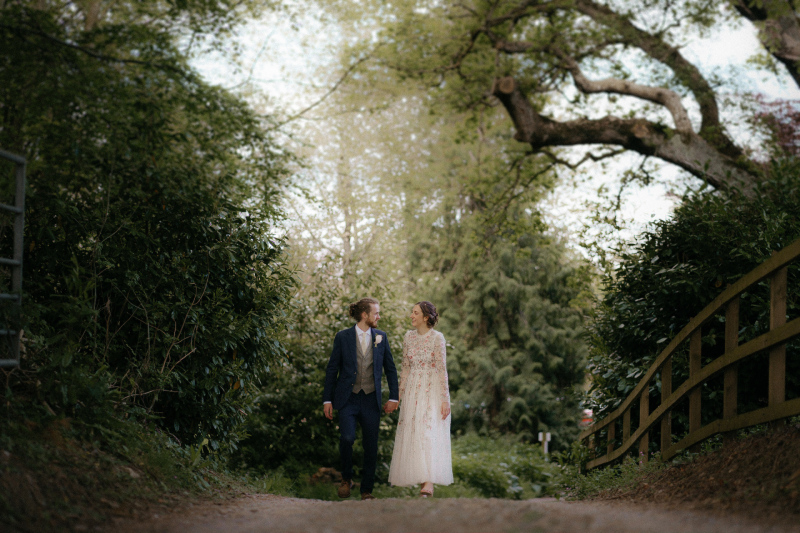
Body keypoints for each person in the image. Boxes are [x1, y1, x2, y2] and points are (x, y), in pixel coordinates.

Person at [322, 297, 399, 500]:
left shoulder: (381, 336)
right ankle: (346, 479)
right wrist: (327, 400)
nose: (379, 316)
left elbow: (390, 369)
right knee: (347, 438)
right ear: (365, 315)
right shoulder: (342, 337)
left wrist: (394, 396)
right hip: (348, 398)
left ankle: (366, 491)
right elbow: (332, 369)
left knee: (371, 446)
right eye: (376, 313)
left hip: (371, 399)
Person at [388, 301, 453, 497]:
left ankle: (428, 482)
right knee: (414, 431)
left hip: (432, 389)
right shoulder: (408, 337)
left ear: (426, 317)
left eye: (415, 313)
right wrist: (398, 395)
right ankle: (417, 474)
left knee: (428, 430)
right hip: (412, 390)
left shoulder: (437, 338)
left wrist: (445, 399)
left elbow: (442, 370)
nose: (411, 316)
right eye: (412, 312)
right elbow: (405, 368)